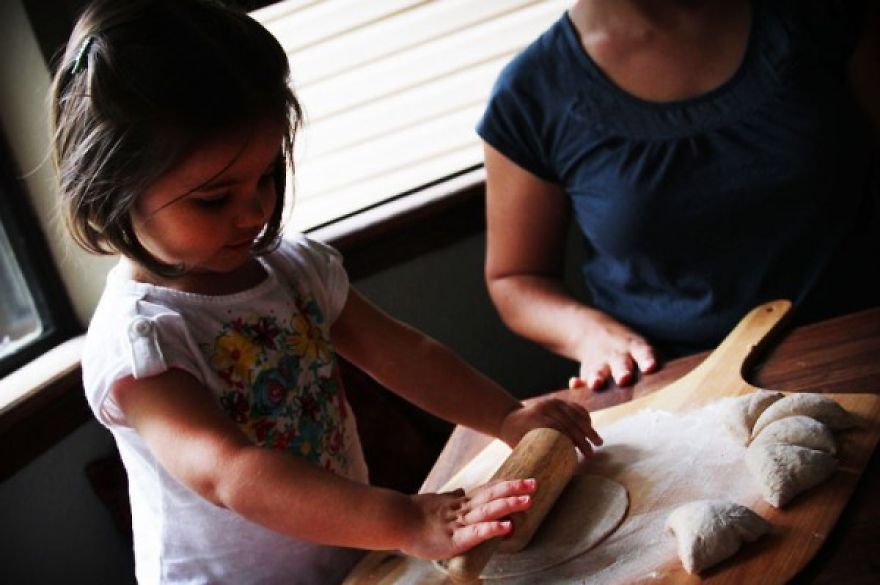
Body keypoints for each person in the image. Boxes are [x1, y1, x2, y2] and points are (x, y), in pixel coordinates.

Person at [49, 1, 603, 583]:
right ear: (110, 192)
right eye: (214, 199)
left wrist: (507, 416)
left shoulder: (290, 270)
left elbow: (402, 353)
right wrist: (405, 519)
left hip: (347, 555)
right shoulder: (142, 340)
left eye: (266, 176)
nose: (255, 211)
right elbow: (231, 473)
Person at [479, 0, 880, 392]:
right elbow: (516, 278)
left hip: (858, 341)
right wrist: (588, 333)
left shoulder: (819, 13)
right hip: (678, 381)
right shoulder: (530, 94)